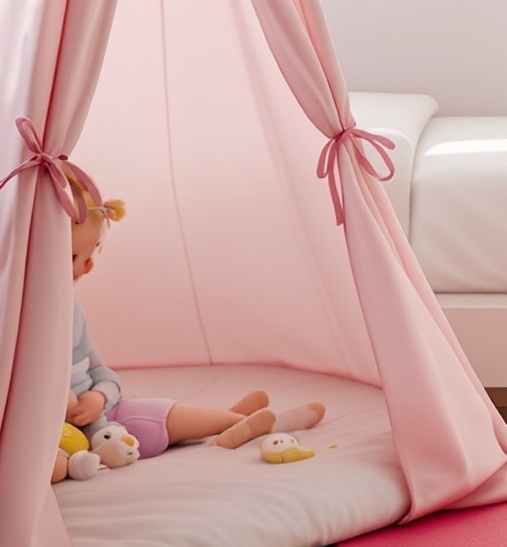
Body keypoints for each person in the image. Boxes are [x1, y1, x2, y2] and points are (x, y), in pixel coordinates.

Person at [51, 195, 324, 482]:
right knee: (149, 423)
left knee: (165, 412)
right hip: (78, 435)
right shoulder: (17, 322)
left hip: (109, 411)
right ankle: (249, 424)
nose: (87, 267)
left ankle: (236, 421)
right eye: (73, 257)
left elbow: (102, 372)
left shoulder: (72, 311)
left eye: (92, 254)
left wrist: (100, 395)